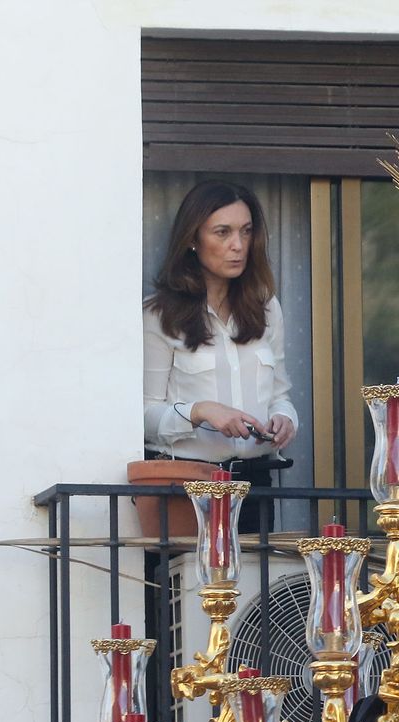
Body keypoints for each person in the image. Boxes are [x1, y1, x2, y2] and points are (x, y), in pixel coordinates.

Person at [144, 180, 297, 530]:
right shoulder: (158, 315)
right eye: (223, 232)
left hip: (254, 486)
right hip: (185, 486)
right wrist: (200, 412)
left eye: (245, 232)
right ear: (193, 240)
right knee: (185, 585)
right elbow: (143, 416)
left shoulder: (266, 308)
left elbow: (280, 396)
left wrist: (285, 420)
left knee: (255, 585)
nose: (237, 245)